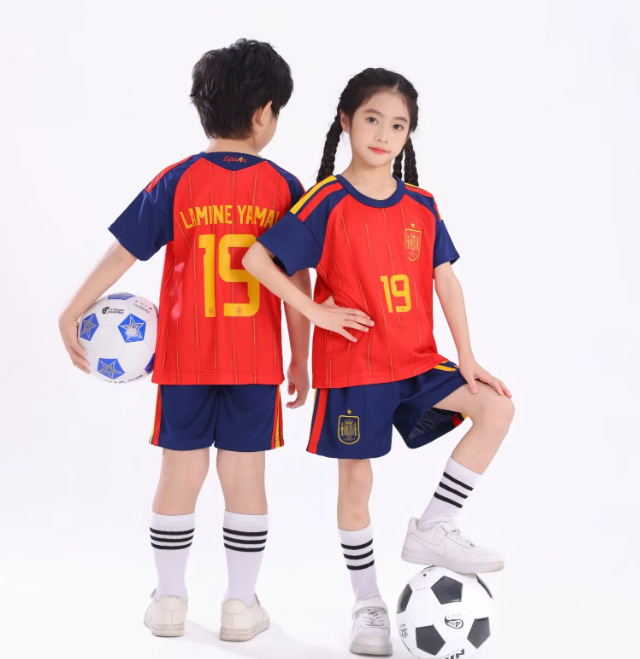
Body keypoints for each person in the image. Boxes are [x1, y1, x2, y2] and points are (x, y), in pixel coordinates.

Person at [243, 67, 514, 656]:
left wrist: (467, 358)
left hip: (416, 360)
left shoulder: (421, 204)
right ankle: (367, 603)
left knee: (495, 408)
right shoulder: (326, 201)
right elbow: (258, 261)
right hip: (354, 368)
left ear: (408, 134)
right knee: (357, 480)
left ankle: (435, 525)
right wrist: (315, 313)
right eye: (372, 119)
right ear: (345, 121)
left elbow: (446, 281)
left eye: (398, 125)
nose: (383, 134)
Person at [58, 39, 310, 643]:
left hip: (185, 356)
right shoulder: (284, 186)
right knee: (244, 476)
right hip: (254, 361)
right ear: (263, 114)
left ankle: (169, 601)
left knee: (180, 471)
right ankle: (239, 606)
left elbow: (123, 251)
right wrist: (300, 357)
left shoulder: (177, 180)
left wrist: (72, 309)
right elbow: (298, 282)